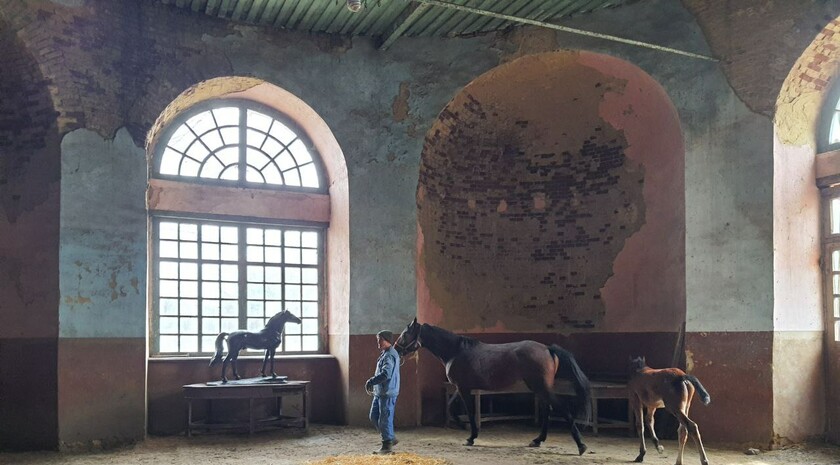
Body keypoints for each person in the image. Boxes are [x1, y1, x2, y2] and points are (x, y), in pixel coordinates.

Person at [365, 329, 401, 455]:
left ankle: (387, 446)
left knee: (384, 419)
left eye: (380, 340)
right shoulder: (385, 353)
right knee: (374, 416)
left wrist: (371, 381)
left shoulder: (389, 355)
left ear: (387, 341)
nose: (378, 342)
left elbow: (386, 374)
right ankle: (390, 438)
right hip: (380, 392)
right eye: (378, 340)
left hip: (387, 392)